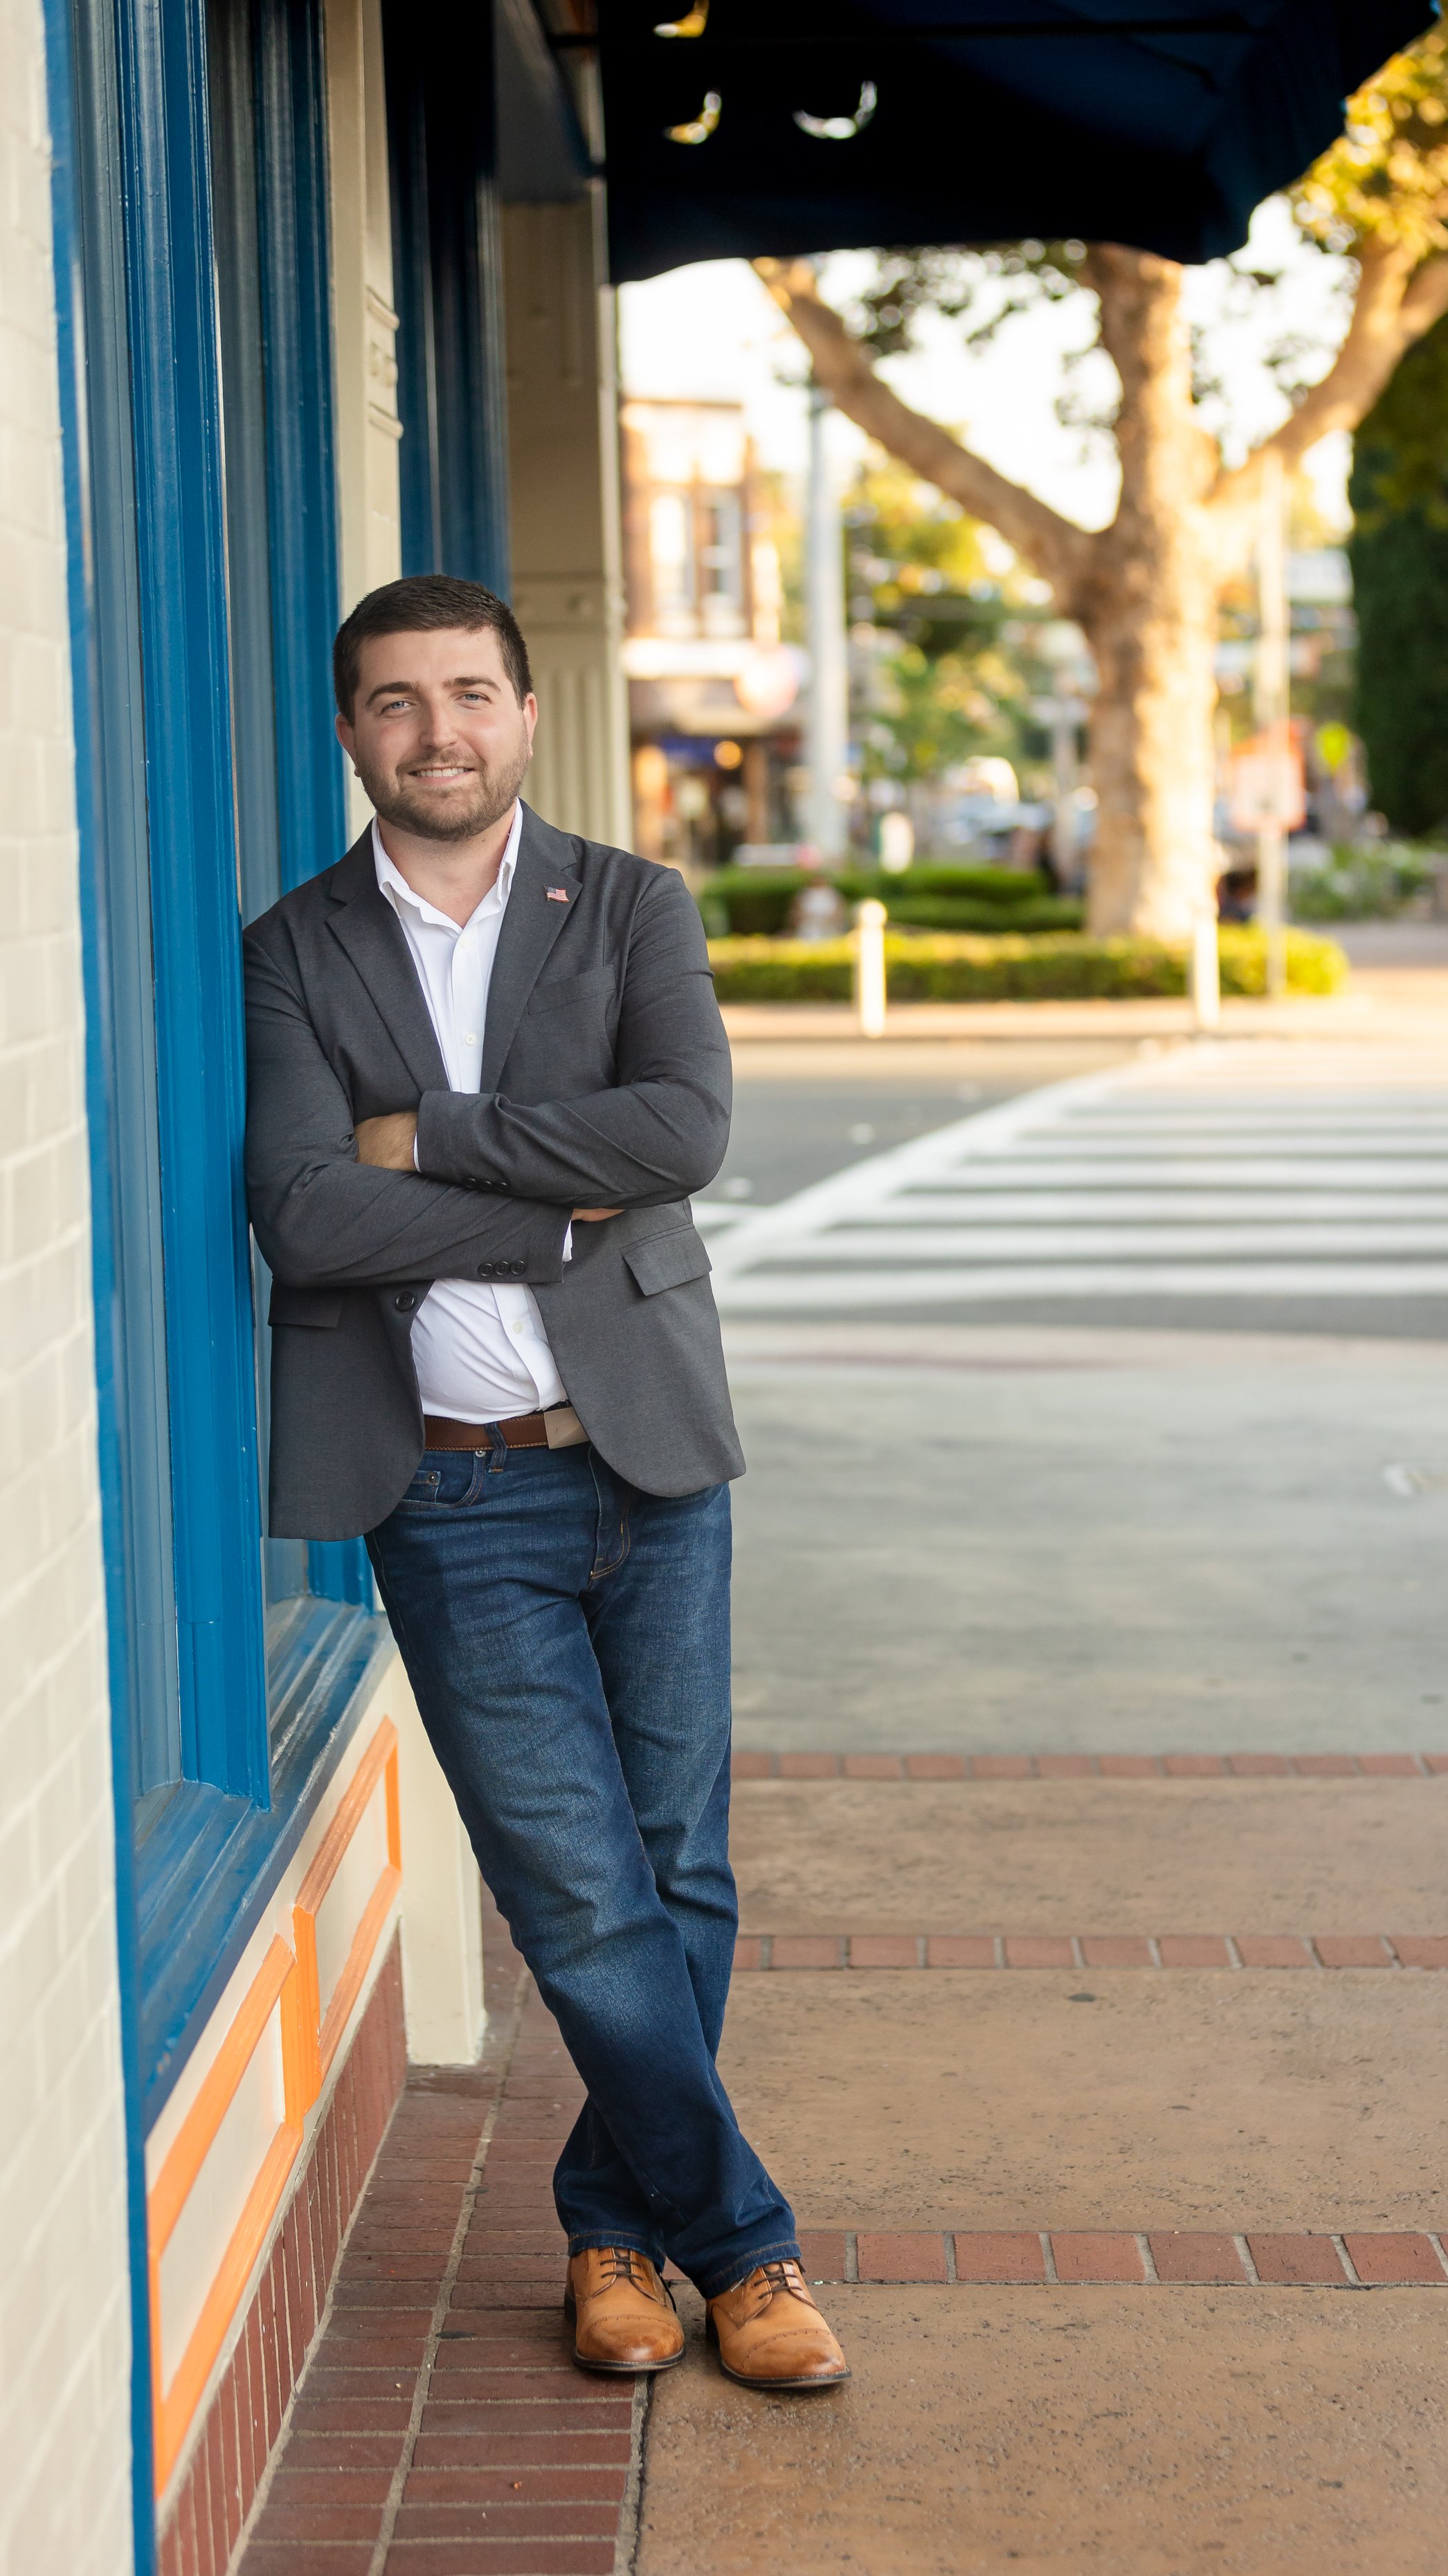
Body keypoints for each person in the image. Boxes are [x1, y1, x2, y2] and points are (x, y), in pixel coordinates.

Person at [242, 572, 847, 2393]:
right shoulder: (293, 948)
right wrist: (559, 1198)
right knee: (577, 1896)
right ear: (351, 731)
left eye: (471, 694)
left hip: (652, 1464)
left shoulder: (632, 903)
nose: (441, 732)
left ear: (524, 711)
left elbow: (682, 1135)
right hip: (450, 1496)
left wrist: (426, 1139)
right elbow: (304, 1209)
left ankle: (613, 2238)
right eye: (399, 702)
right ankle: (745, 2252)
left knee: (679, 1877)